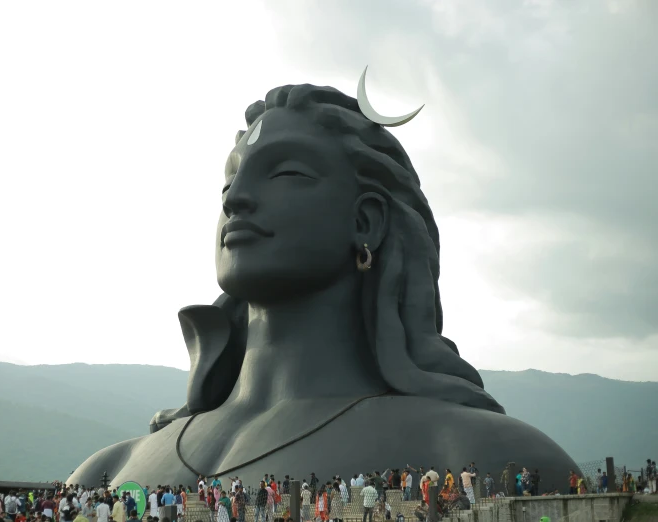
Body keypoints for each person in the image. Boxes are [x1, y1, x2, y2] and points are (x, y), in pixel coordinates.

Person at [67, 76, 580, 490]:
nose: (234, 199)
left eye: (286, 173)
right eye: (230, 179)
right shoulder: (103, 473)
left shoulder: (482, 456)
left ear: (366, 222)